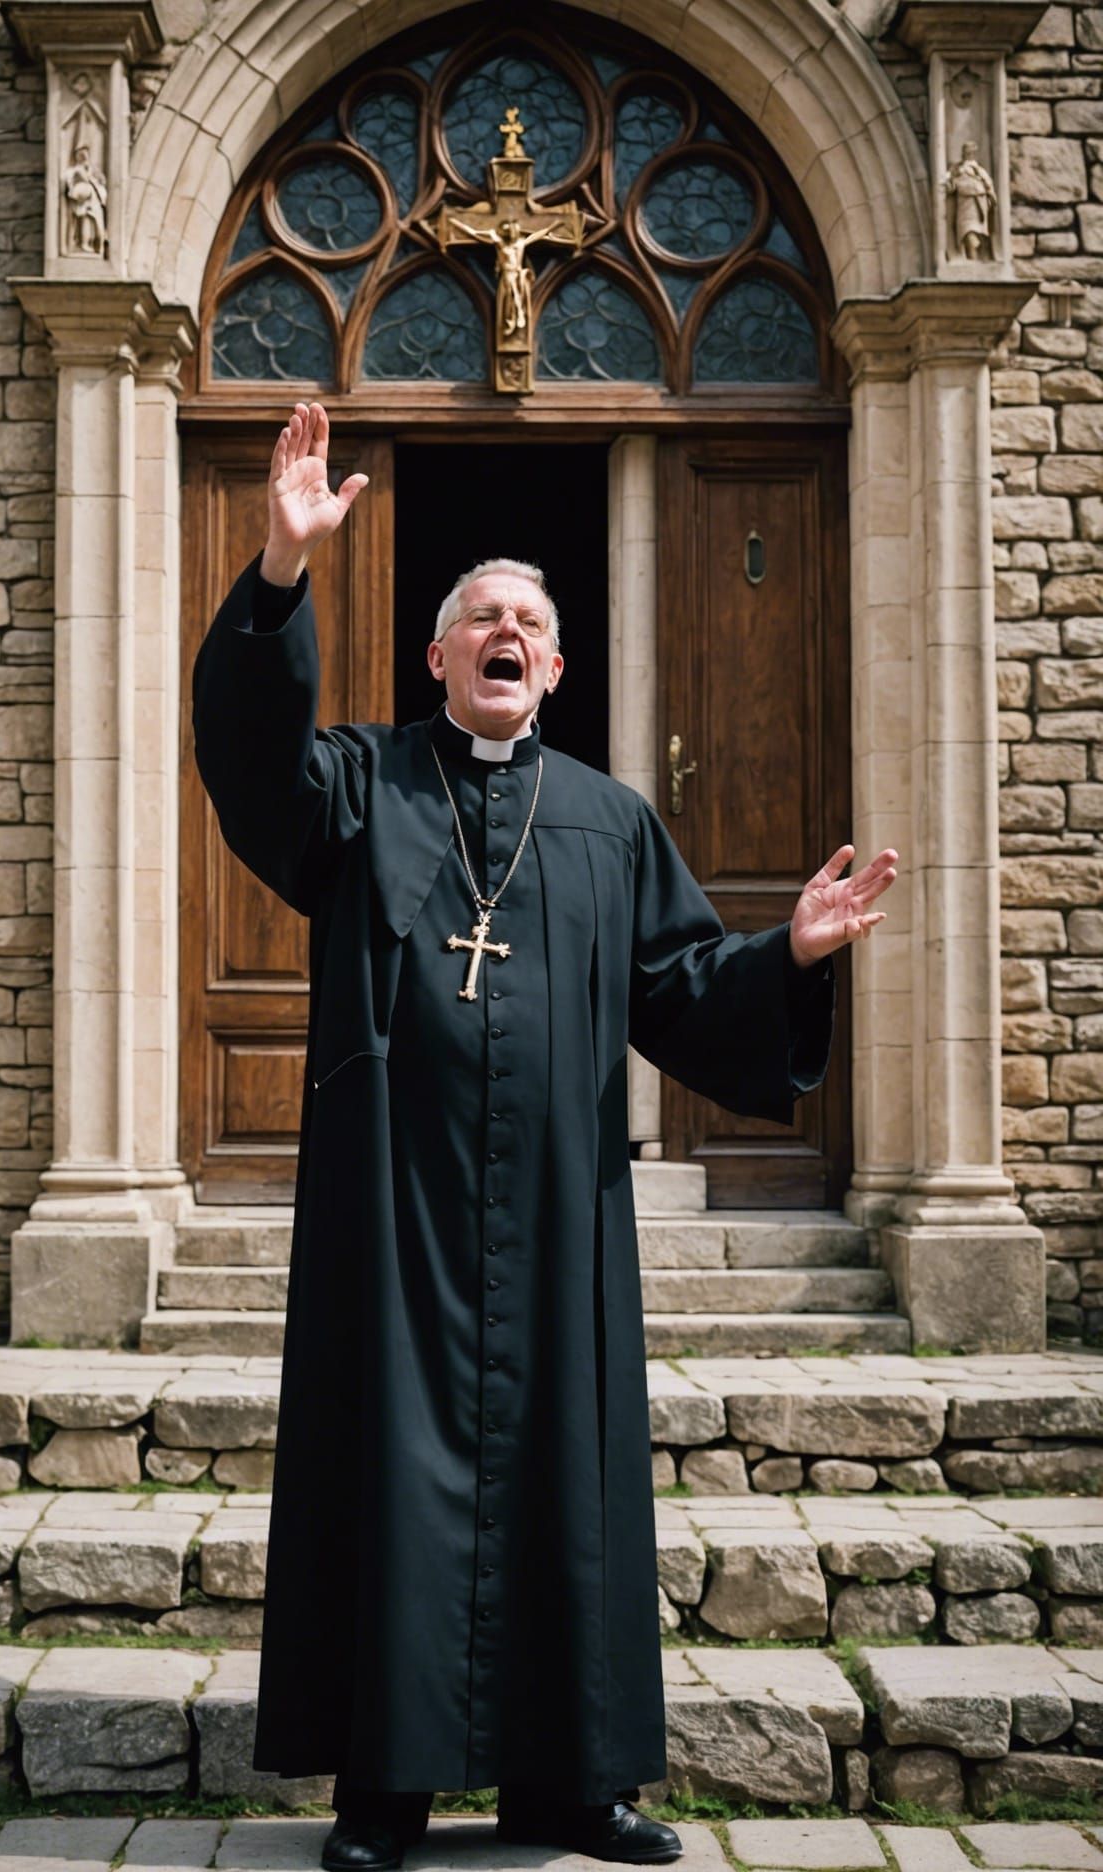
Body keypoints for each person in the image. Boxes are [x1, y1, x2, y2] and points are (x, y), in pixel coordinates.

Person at [191, 400, 898, 1871]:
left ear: (557, 668)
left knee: (564, 1482)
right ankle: (384, 1795)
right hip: (399, 1217)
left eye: (528, 619)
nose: (504, 632)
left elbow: (683, 990)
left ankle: (571, 1790)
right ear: (439, 655)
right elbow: (249, 765)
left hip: (561, 1215)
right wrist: (276, 570)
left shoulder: (607, 821)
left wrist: (795, 957)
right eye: (479, 618)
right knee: (394, 1475)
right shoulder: (358, 789)